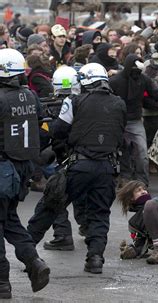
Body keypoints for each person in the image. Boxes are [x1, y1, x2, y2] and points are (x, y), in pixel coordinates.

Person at [34, 63, 126, 274]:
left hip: (79, 165)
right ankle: (95, 259)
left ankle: (28, 253)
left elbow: (59, 131)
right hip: (107, 167)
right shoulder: (119, 103)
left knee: (50, 204)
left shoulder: (74, 101)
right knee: (99, 214)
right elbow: (120, 134)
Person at [0, 48, 50, 299]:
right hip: (22, 169)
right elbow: (42, 126)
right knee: (9, 220)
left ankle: (2, 282)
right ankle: (34, 262)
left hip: (3, 167)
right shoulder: (30, 96)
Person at [27, 66, 84, 251]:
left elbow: (47, 137)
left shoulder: (57, 107)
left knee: (55, 197)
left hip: (68, 162)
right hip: (90, 160)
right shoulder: (87, 103)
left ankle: (62, 235)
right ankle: (88, 232)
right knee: (88, 200)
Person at [109, 54, 158, 186]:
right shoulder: (115, 81)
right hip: (118, 121)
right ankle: (125, 178)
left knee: (141, 152)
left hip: (135, 120)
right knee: (122, 151)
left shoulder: (143, 79)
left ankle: (141, 181)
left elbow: (155, 92)